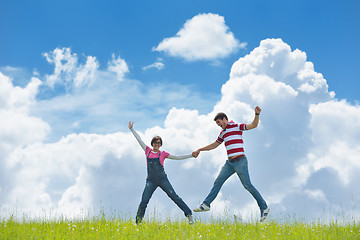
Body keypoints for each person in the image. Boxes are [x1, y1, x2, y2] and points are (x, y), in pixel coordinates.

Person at [192, 106, 270, 222]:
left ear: (224, 119)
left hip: (240, 161)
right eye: (217, 123)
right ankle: (206, 204)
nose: (218, 125)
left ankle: (264, 207)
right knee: (218, 182)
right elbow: (214, 145)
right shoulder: (223, 133)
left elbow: (253, 125)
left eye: (219, 122)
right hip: (229, 163)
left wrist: (257, 115)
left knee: (247, 185)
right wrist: (200, 149)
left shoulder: (237, 126)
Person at [129, 121, 195, 225]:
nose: (157, 144)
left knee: (174, 196)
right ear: (152, 143)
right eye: (155, 142)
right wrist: (132, 129)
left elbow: (177, 157)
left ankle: (189, 215)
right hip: (150, 181)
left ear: (161, 144)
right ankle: (138, 222)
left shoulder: (163, 154)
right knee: (144, 201)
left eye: (159, 143)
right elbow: (139, 139)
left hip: (162, 179)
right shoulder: (147, 151)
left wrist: (191, 155)